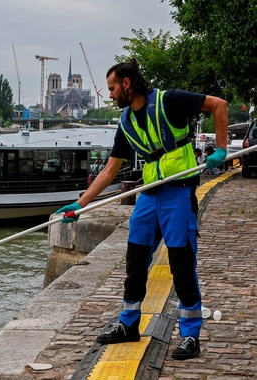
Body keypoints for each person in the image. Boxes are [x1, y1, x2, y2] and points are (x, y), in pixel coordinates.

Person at [56, 58, 228, 360]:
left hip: (178, 193)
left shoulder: (169, 100)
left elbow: (219, 105)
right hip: (148, 196)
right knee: (135, 262)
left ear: (126, 84)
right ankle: (128, 326)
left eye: (111, 88)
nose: (109, 95)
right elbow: (109, 170)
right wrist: (81, 205)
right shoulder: (125, 122)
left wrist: (223, 149)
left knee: (181, 264)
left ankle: (190, 335)